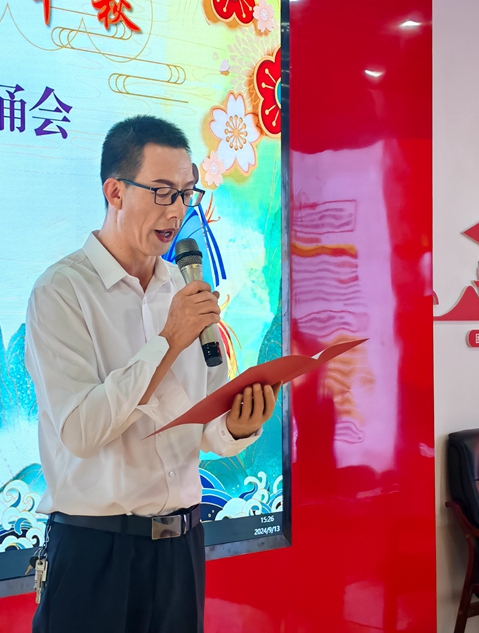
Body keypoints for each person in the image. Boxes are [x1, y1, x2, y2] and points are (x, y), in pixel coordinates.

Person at [24, 115, 280, 633]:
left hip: (181, 549)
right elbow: (80, 431)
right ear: (115, 192)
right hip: (96, 552)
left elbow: (206, 426)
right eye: (162, 192)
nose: (177, 210)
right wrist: (168, 340)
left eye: (186, 194)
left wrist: (239, 424)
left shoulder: (185, 291)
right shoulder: (61, 292)